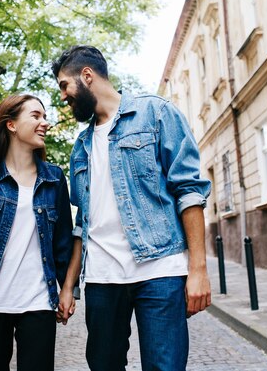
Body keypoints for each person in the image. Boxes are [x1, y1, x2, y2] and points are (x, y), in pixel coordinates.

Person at [51, 45, 212, 371]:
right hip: (101, 277)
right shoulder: (81, 146)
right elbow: (83, 221)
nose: (64, 97)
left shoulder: (156, 113)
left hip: (160, 270)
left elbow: (189, 191)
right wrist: (68, 286)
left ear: (86, 76)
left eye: (64, 86)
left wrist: (198, 269)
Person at [0, 94, 79, 371]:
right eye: (36, 116)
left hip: (37, 301)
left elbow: (63, 243)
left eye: (45, 116)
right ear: (11, 125)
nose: (45, 122)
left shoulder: (54, 179)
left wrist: (68, 290)